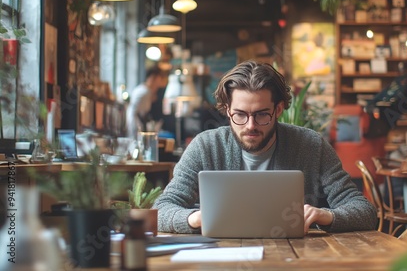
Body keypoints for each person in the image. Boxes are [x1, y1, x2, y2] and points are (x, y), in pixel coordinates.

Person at [153, 60, 377, 234]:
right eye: (240, 114)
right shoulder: (205, 146)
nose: (250, 126)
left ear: (278, 110)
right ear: (227, 110)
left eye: (261, 115)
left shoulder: (310, 145)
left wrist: (325, 216)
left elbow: (365, 212)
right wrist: (195, 218)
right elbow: (160, 210)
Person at [126, 65, 167, 139]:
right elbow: (141, 113)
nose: (160, 82)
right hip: (135, 126)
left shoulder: (143, 89)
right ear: (153, 77)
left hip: (134, 124)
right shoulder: (145, 92)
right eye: (160, 78)